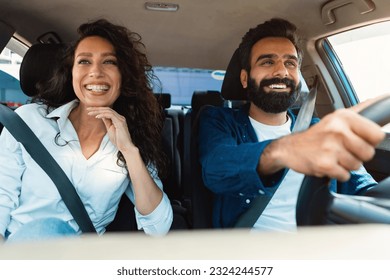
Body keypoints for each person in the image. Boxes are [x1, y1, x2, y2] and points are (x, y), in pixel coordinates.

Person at [198, 18, 386, 230]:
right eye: (267, 62)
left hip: (319, 247)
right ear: (244, 78)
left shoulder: (317, 128)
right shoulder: (219, 121)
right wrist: (286, 149)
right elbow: (216, 170)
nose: (281, 72)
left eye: (290, 63)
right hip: (249, 250)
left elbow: (365, 191)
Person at [0, 19, 173, 242]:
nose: (96, 72)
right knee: (44, 230)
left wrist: (129, 151)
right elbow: (1, 195)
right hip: (19, 250)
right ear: (71, 73)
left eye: (109, 62)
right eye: (84, 61)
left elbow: (159, 227)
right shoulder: (28, 121)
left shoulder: (131, 143)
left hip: (78, 260)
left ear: (123, 77)